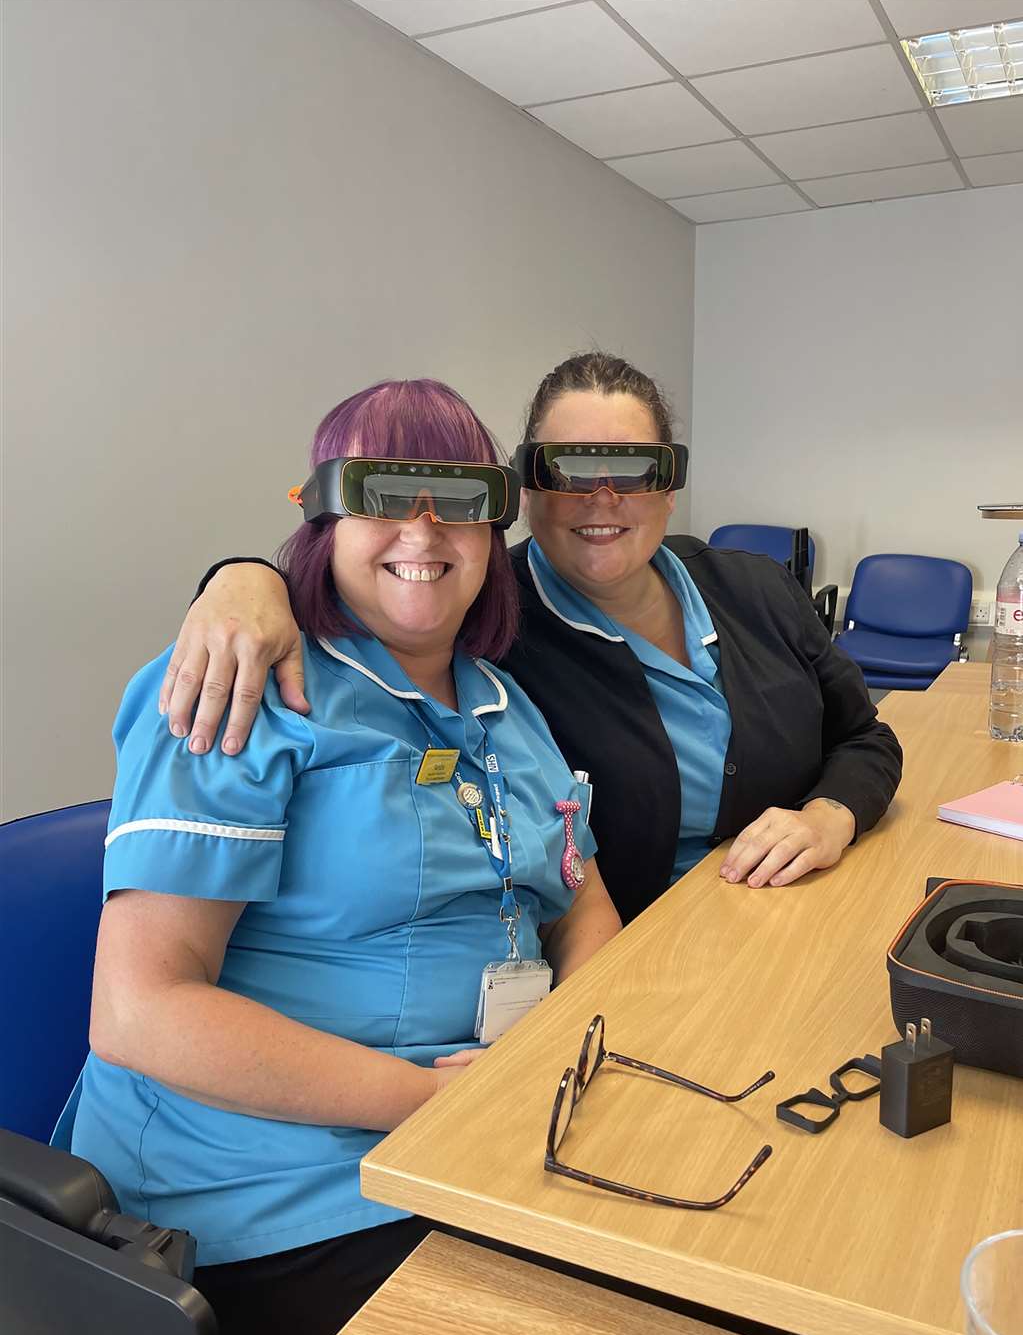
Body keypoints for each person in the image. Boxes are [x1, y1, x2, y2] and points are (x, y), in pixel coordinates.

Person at [55, 378, 620, 1335]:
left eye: (459, 496)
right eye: (383, 490)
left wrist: (573, 1056)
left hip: (485, 1135)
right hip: (266, 1192)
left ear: (496, 531)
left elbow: (578, 898)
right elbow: (139, 1011)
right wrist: (430, 1105)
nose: (423, 526)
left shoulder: (505, 704)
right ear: (319, 516)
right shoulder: (239, 688)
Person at [162, 353, 902, 924]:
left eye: (634, 470)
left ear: (669, 487)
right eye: (569, 470)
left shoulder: (758, 589)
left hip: (812, 911)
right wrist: (243, 577)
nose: (601, 498)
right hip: (653, 951)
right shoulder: (486, 626)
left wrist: (828, 816)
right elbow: (370, 580)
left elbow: (866, 739)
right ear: (522, 491)